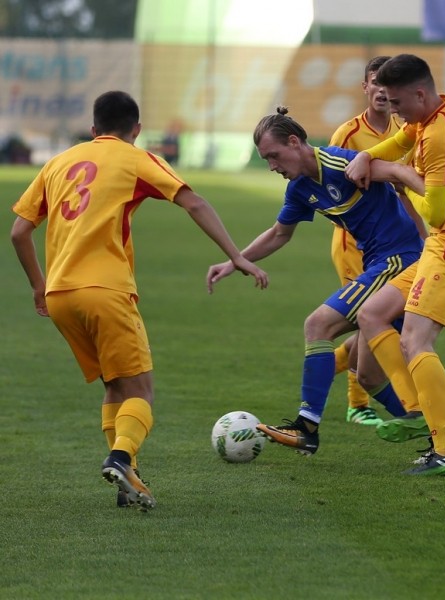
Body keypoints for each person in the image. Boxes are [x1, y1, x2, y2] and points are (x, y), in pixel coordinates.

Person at [10, 91, 268, 511]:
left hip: (59, 295)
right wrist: (236, 256)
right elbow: (193, 201)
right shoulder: (135, 158)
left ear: (93, 129)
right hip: (105, 290)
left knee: (116, 386)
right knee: (142, 391)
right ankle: (120, 457)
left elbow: (19, 231)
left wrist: (39, 286)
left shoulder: (57, 163)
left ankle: (126, 481)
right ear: (137, 129)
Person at [205, 107, 427, 456]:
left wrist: (442, 209)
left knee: (318, 324)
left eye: (274, 156)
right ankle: (439, 437)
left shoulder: (341, 164)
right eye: (266, 160)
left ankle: (306, 428)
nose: (272, 166)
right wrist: (236, 261)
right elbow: (279, 234)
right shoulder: (299, 188)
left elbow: (401, 173)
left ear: (295, 142)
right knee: (367, 375)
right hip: (378, 263)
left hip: (401, 259)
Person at [345, 54, 445, 476]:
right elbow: (399, 142)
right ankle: (416, 410)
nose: (393, 111)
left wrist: (399, 175)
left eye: (397, 103)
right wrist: (368, 157)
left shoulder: (440, 136)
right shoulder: (434, 111)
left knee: (415, 339)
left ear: (418, 93)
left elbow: (434, 212)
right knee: (372, 314)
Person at [329, 55, 428, 428]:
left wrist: (422, 233)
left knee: (385, 322)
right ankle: (358, 403)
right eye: (375, 83)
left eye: (388, 86)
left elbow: (407, 187)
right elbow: (334, 186)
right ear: (365, 87)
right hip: (356, 244)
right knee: (367, 320)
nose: (383, 92)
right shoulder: (348, 134)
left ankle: (330, 363)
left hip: (398, 240)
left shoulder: (405, 129)